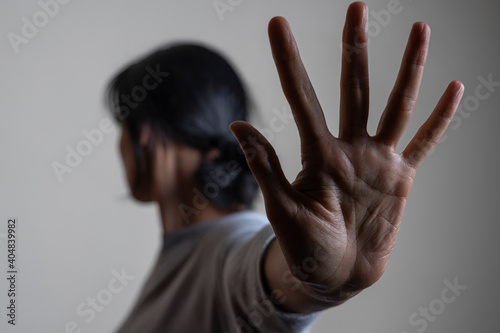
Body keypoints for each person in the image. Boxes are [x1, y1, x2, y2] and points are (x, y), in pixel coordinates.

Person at [107, 2, 464, 332]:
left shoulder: (227, 247)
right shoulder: (183, 254)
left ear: (146, 137)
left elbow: (259, 279)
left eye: (123, 125)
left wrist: (314, 283)